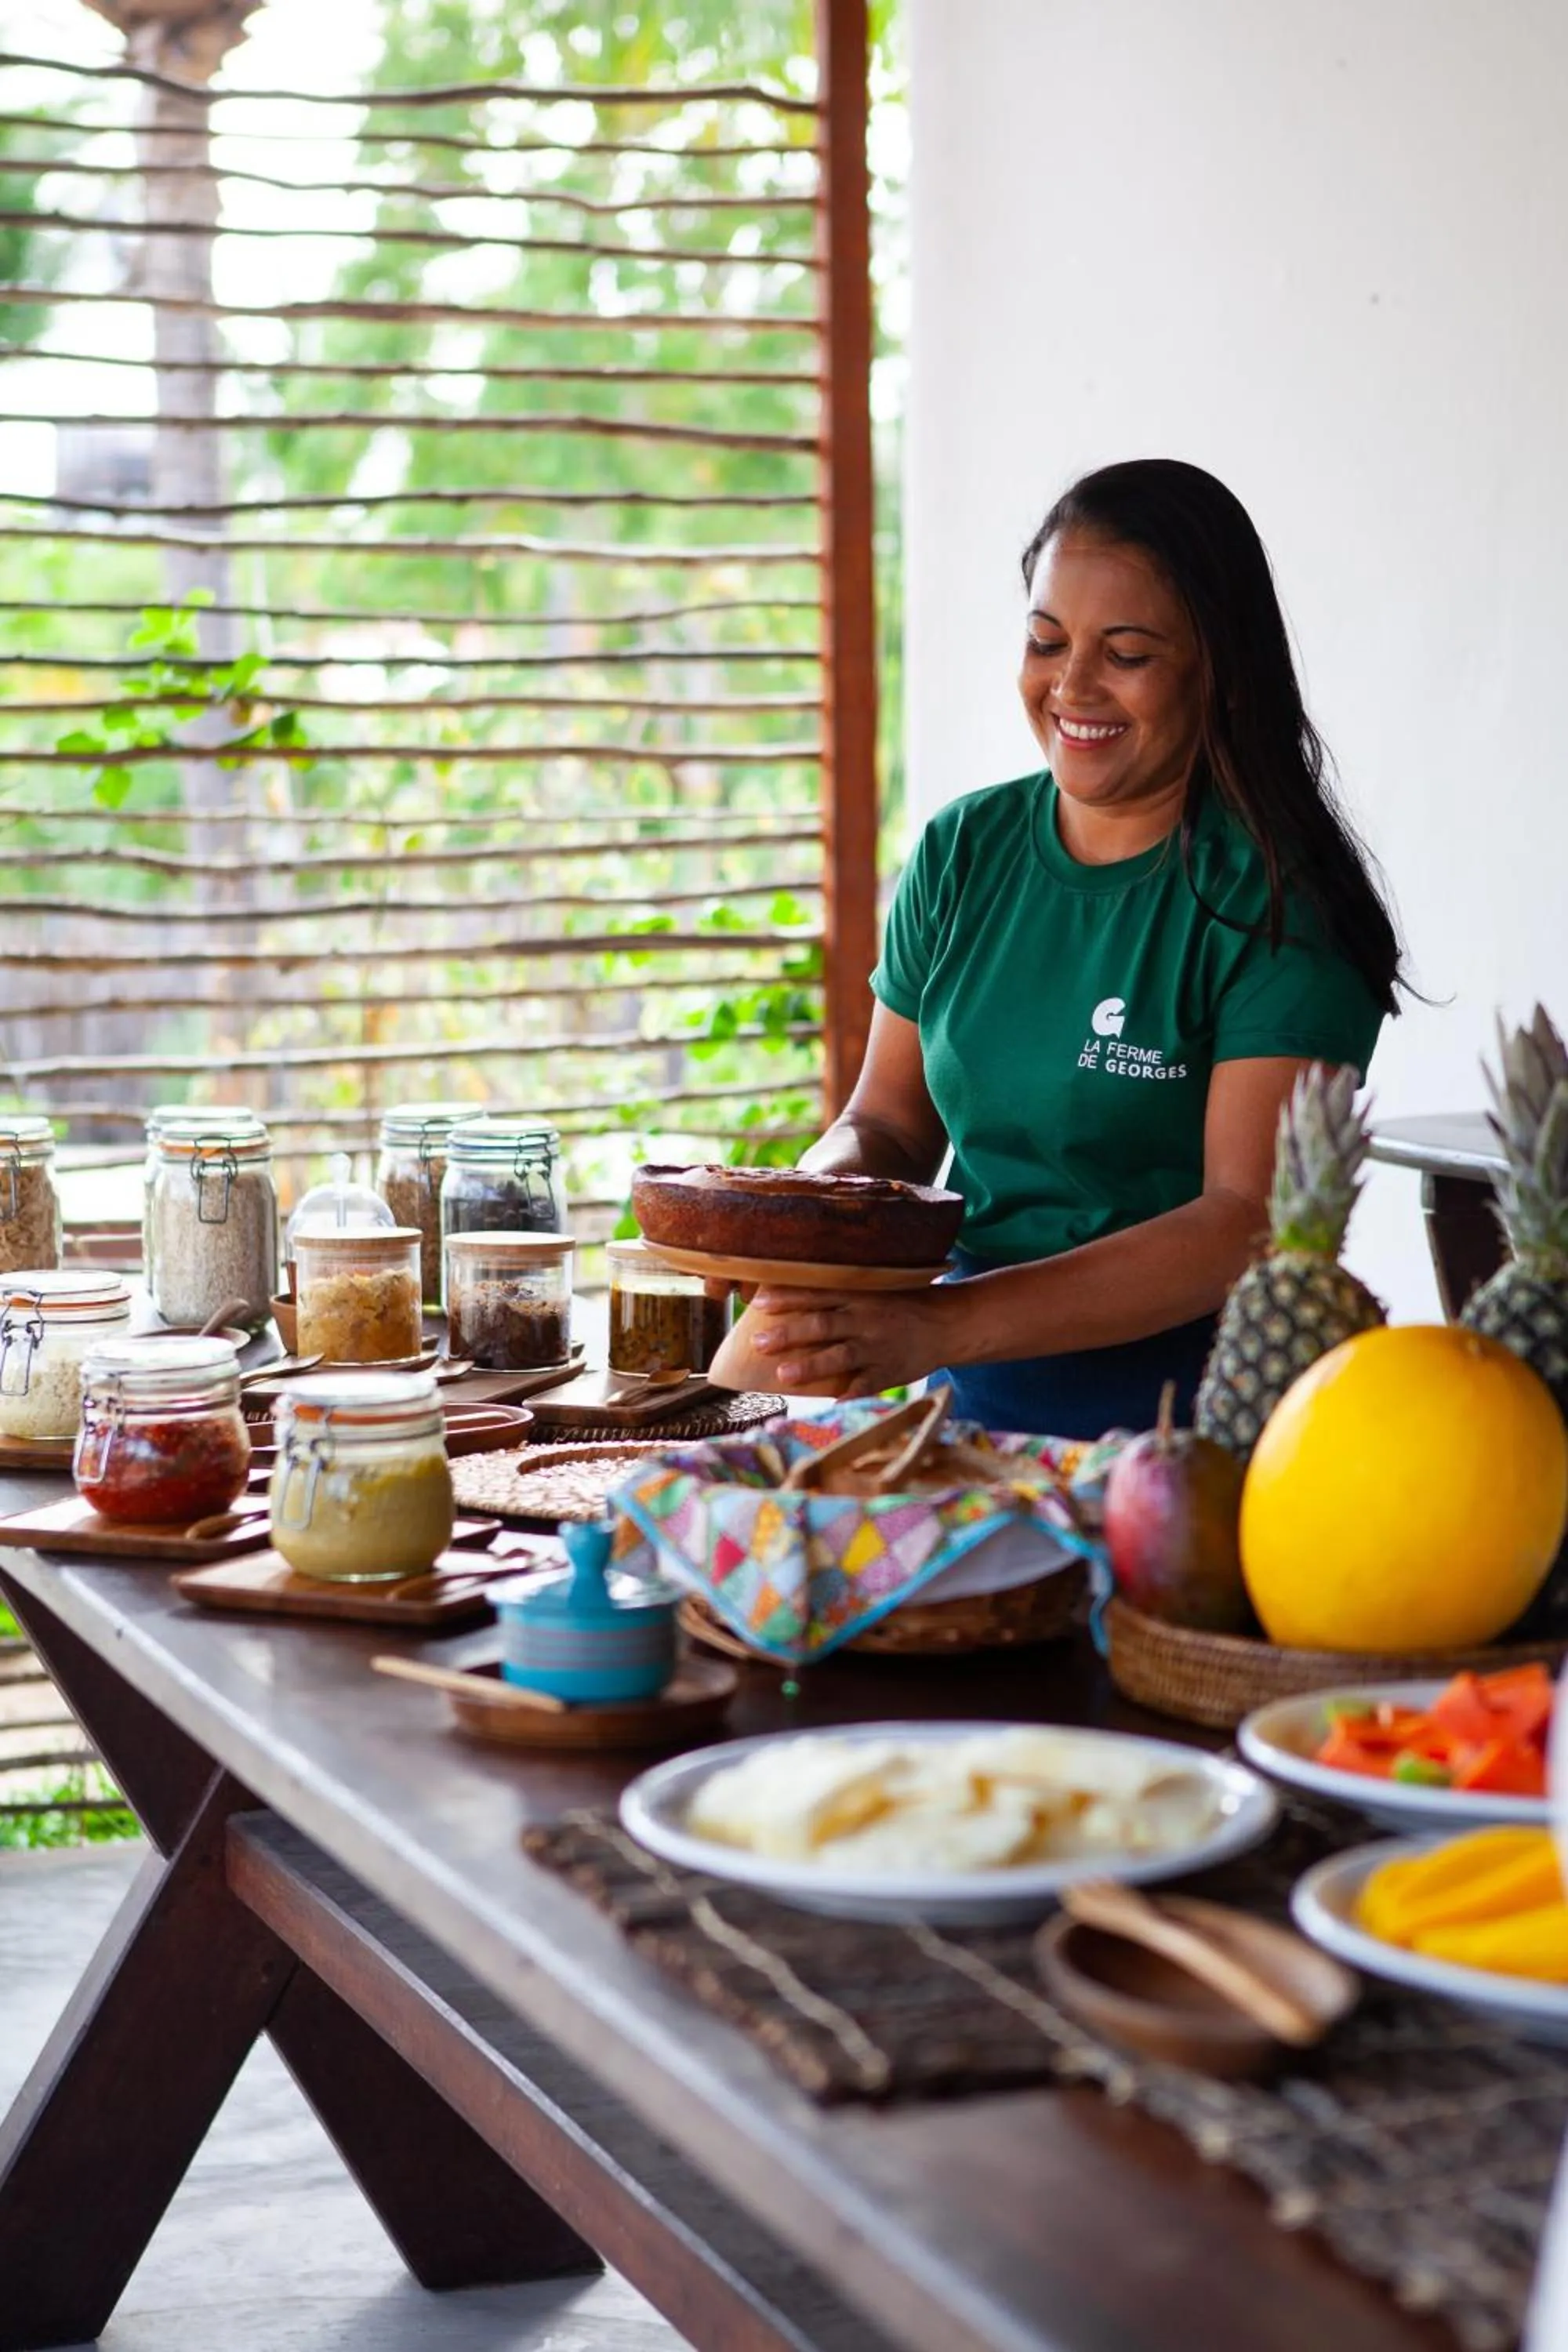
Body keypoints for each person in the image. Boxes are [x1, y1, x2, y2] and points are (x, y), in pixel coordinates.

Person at [745, 458, 1404, 1436]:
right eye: (1045, 641)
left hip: (1196, 1435)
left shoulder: (1275, 901)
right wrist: (798, 1218)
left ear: (1217, 671)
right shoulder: (963, 851)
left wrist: (939, 1322)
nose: (1070, 686)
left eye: (1126, 653)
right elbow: (886, 1127)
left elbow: (1242, 1222)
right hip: (959, 1413)